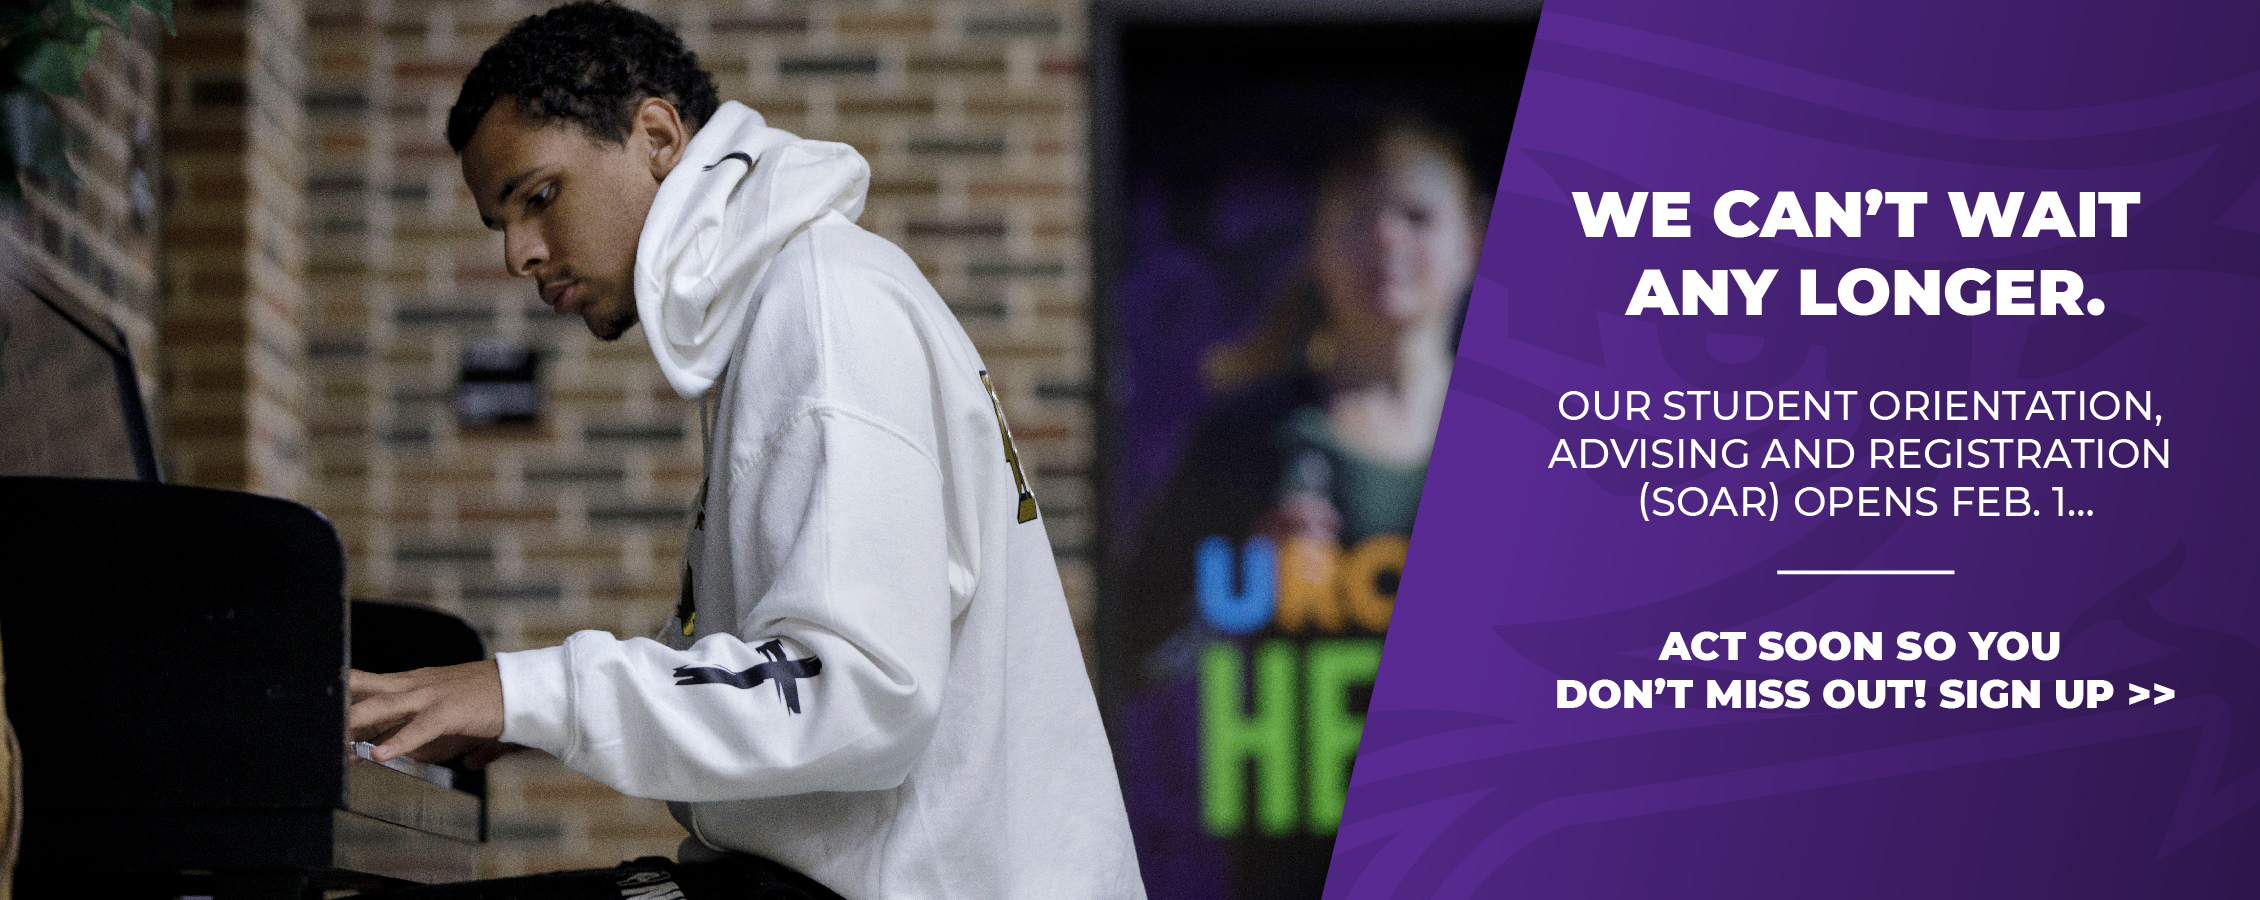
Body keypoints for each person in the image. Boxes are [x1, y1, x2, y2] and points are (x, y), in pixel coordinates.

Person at [344, 3, 1143, 898]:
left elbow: (857, 690)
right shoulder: (786, 305)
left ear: (656, 135)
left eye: (539, 197)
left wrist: (533, 691)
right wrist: (527, 717)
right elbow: (797, 662)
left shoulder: (823, 309)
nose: (520, 256)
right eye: (502, 226)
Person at [1107, 114, 1484, 900]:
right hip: (1293, 864)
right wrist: (1239, 585)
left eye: (1416, 215)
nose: (1385, 239)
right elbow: (1127, 648)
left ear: (1471, 239)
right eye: (1356, 217)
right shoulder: (1245, 435)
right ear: (1315, 243)